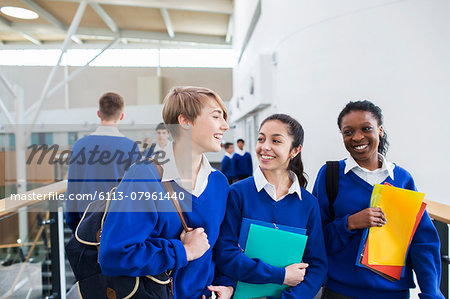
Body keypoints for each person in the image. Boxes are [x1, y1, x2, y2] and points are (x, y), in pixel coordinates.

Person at [99, 86, 233, 298]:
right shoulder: (143, 177)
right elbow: (114, 255)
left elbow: (221, 246)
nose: (225, 125)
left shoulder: (219, 183)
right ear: (185, 121)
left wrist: (226, 285)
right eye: (216, 116)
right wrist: (184, 251)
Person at [313, 100, 444, 299]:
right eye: (348, 132)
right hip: (340, 292)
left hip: (393, 294)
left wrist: (431, 293)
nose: (357, 137)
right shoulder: (330, 175)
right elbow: (316, 239)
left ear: (380, 130)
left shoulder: (402, 179)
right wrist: (350, 223)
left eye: (366, 128)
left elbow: (422, 242)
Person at [214, 114, 328, 298]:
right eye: (261, 139)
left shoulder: (308, 203)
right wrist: (281, 276)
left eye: (276, 140)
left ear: (295, 150)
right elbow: (225, 253)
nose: (265, 147)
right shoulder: (237, 193)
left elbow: (317, 265)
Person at [65, 92, 138, 233]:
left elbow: (73, 187)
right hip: (118, 223)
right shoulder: (130, 147)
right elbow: (135, 192)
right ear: (121, 116)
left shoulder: (80, 145)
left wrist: (74, 223)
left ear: (99, 113)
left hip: (86, 220)